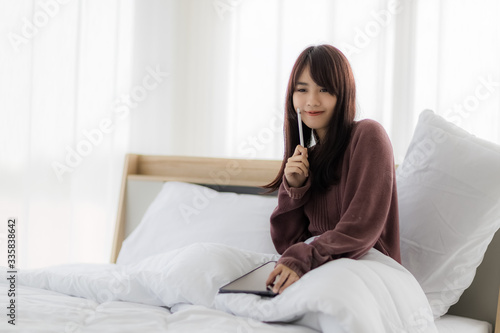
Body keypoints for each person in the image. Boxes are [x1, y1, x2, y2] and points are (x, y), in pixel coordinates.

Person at [264, 44, 401, 294]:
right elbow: (287, 245)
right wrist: (294, 189)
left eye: (324, 89)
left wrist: (304, 258)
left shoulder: (368, 135)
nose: (312, 101)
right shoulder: (308, 160)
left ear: (343, 94)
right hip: (320, 269)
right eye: (302, 90)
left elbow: (361, 228)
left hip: (368, 267)